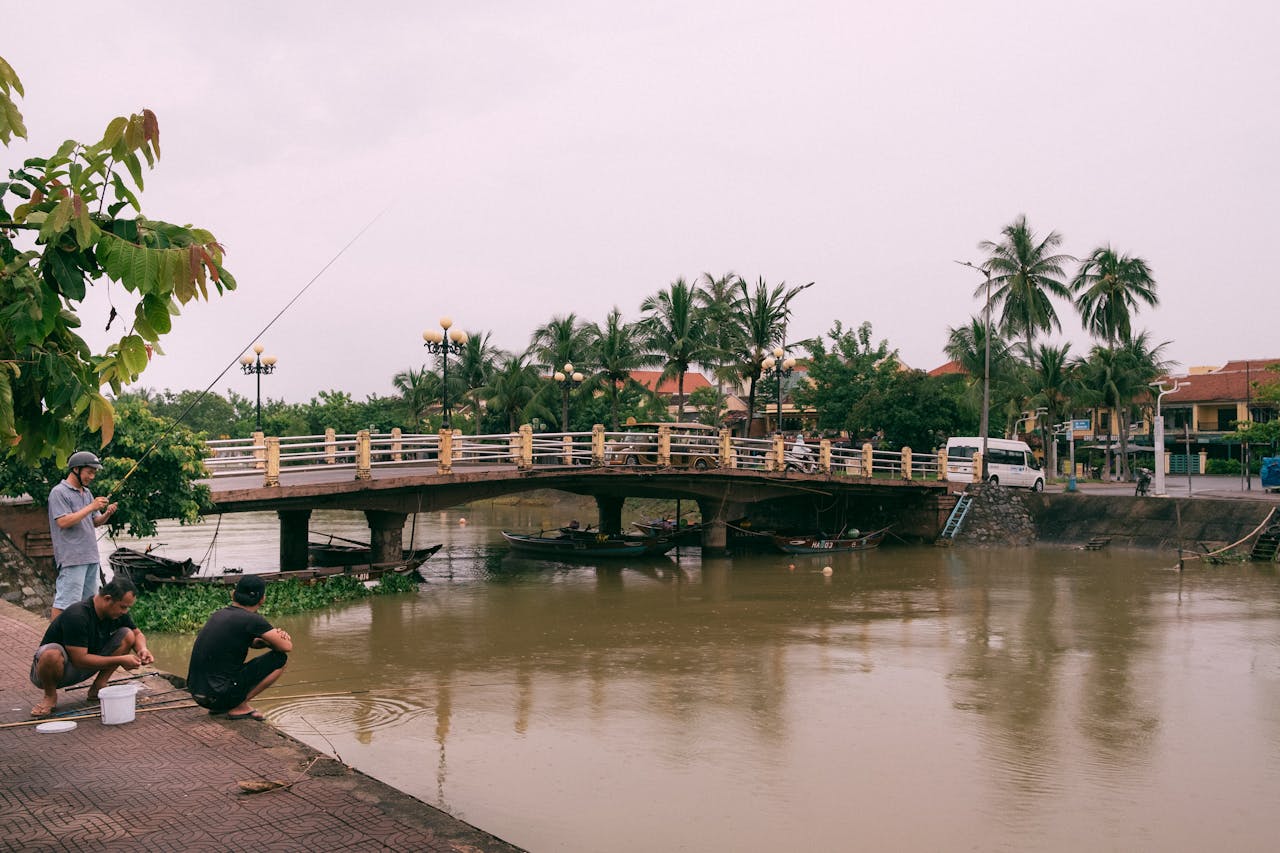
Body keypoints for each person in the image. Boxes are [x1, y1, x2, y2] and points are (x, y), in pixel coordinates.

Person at [29, 576, 152, 718]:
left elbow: (138, 634)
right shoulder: (77, 615)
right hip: (54, 671)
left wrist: (142, 649)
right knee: (51, 654)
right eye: (123, 607)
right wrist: (121, 660)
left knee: (128, 635)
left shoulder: (117, 613)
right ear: (107, 599)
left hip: (86, 665)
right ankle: (50, 696)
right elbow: (79, 660)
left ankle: (98, 687)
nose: (124, 611)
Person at [186, 575, 292, 721]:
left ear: (233, 594)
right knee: (280, 659)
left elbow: (248, 641)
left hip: (199, 694)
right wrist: (281, 637)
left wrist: (265, 641)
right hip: (218, 696)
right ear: (262, 599)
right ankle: (239, 706)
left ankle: (224, 706)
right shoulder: (252, 619)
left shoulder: (220, 614)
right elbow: (286, 647)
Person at [48, 450, 118, 621]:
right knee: (66, 602)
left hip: (91, 556)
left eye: (94, 472)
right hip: (72, 557)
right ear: (76, 470)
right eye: (90, 472)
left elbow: (94, 521)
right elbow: (63, 522)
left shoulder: (86, 493)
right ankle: (53, 639)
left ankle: (84, 638)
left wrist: (107, 513)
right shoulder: (59, 492)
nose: (92, 476)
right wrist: (91, 507)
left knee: (89, 602)